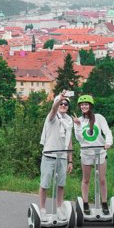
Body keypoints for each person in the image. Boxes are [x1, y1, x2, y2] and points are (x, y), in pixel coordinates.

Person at [72, 94, 113, 215]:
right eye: (82, 105)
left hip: (100, 152)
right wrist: (78, 125)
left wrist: (108, 142)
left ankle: (104, 203)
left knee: (102, 179)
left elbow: (107, 131)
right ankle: (85, 204)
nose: (84, 106)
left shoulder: (99, 118)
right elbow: (79, 139)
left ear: (90, 105)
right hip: (86, 152)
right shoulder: (78, 120)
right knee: (86, 179)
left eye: (86, 104)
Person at [38, 90, 74, 221]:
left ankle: (59, 209)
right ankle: (42, 210)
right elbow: (53, 108)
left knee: (61, 184)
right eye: (61, 103)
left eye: (66, 104)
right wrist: (59, 98)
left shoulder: (69, 121)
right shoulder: (52, 117)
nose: (63, 105)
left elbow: (69, 141)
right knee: (45, 184)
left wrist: (70, 161)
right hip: (49, 155)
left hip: (62, 157)